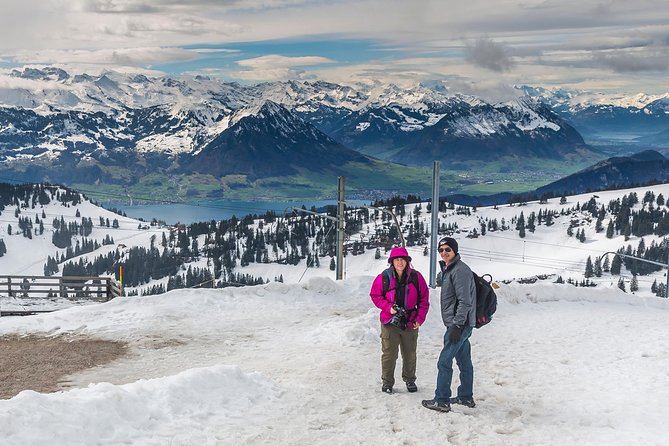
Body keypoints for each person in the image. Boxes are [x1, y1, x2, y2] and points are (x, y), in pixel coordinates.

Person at [422, 237, 477, 412]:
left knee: (444, 361)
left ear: (454, 250)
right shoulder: (451, 269)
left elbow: (465, 301)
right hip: (459, 324)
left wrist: (457, 325)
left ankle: (442, 400)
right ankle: (465, 397)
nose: (444, 253)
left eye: (447, 249)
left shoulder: (459, 271)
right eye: (441, 250)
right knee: (464, 361)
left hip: (459, 325)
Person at [370, 246, 430, 394]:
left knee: (410, 353)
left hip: (410, 321)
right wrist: (388, 307)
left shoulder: (416, 277)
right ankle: (387, 382)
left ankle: (410, 380)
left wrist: (419, 318)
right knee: (389, 354)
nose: (400, 262)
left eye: (403, 259)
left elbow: (424, 300)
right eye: (397, 259)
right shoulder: (383, 277)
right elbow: (375, 295)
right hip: (390, 321)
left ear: (407, 261)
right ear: (392, 262)